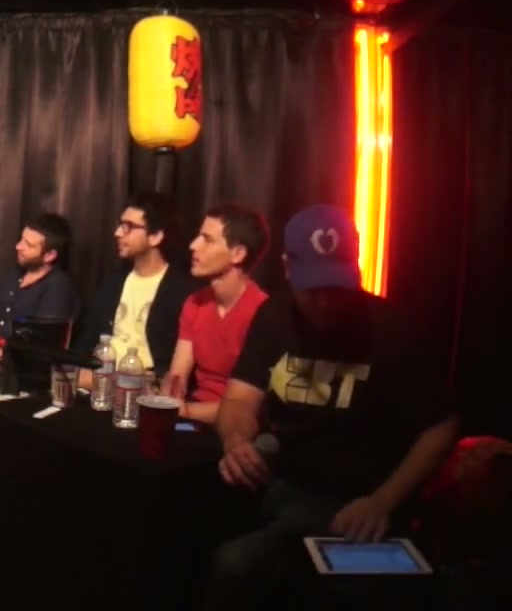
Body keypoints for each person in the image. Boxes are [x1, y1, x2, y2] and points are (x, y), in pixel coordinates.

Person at [207, 205, 460, 610]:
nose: (325, 302)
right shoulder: (273, 317)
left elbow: (441, 425)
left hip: (362, 499)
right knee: (224, 561)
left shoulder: (388, 326)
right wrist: (235, 440)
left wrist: (384, 501)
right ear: (287, 268)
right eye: (313, 290)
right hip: (286, 490)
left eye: (335, 287)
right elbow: (239, 398)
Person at [160, 203, 270, 423]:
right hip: (191, 415)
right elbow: (177, 377)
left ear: (238, 254)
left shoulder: (263, 313)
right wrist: (167, 397)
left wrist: (183, 411)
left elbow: (249, 406)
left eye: (207, 240)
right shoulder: (195, 303)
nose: (193, 245)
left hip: (235, 427)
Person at [74, 192, 196, 385]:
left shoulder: (181, 290)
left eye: (128, 227)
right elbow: (86, 342)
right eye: (120, 225)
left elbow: (171, 367)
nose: (118, 233)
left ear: (155, 236)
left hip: (144, 388)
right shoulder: (113, 283)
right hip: (98, 382)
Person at [0, 212, 80, 337]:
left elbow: (39, 340)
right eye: (21, 239)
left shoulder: (58, 288)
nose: (18, 247)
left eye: (29, 245)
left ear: (49, 255)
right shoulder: (12, 277)